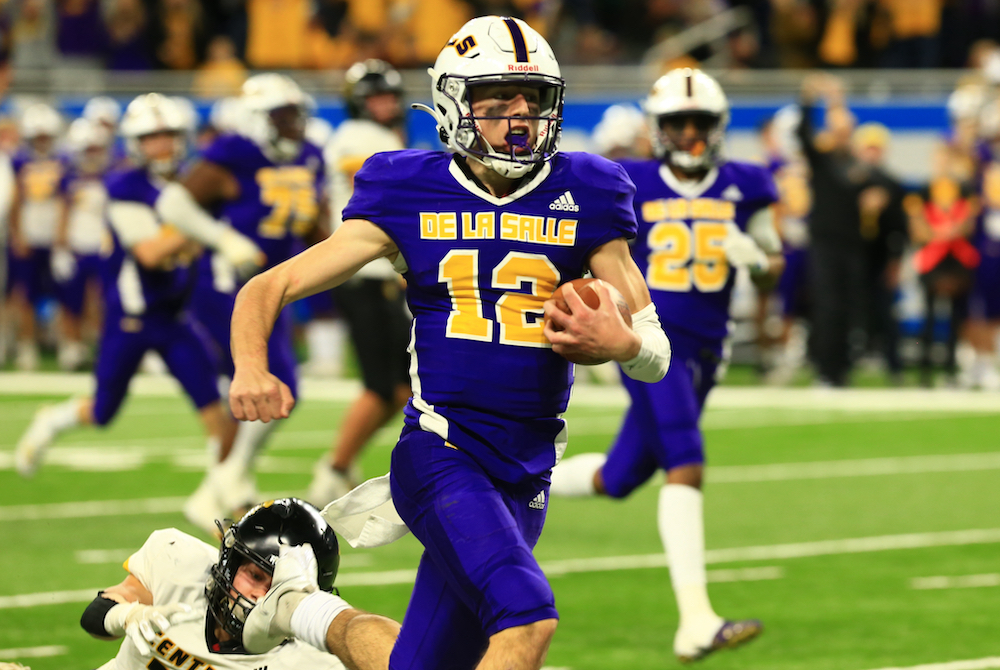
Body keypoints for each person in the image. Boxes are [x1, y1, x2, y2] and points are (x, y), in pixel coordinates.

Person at [227, 16, 670, 670]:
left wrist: (621, 342)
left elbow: (656, 355)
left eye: (535, 99)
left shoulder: (589, 190)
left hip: (525, 473)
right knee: (527, 618)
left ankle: (300, 611)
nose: (521, 116)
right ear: (454, 105)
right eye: (498, 100)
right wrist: (250, 367)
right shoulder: (407, 188)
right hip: (440, 452)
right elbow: (267, 287)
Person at [550, 68, 784, 662]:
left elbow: (774, 262)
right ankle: (696, 621)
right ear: (657, 129)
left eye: (698, 123)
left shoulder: (747, 184)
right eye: (676, 123)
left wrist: (756, 261)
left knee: (623, 477)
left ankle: (517, 479)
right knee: (686, 460)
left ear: (718, 127)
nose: (687, 134)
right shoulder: (631, 180)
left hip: (708, 348)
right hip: (652, 344)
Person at [13, 94, 237, 484]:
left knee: (213, 408)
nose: (162, 144)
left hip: (175, 316)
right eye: (152, 136)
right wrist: (206, 230)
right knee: (103, 412)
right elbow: (151, 253)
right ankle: (52, 420)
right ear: (136, 142)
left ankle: (222, 495)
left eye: (168, 134)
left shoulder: (192, 178)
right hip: (130, 318)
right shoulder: (124, 183)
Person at [155, 73, 329, 533]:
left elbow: (313, 223)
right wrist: (225, 238)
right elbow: (173, 204)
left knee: (277, 387)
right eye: (282, 115)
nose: (293, 124)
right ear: (257, 119)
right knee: (271, 383)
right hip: (226, 285)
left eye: (295, 114)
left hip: (274, 283)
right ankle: (226, 483)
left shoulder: (309, 155)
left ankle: (222, 484)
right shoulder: (235, 152)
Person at [306, 59, 413, 508]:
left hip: (375, 272)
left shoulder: (376, 137)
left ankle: (343, 463)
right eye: (376, 98)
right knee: (380, 386)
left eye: (390, 97)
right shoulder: (359, 138)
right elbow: (376, 191)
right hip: (366, 272)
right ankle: (332, 470)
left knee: (402, 388)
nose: (385, 106)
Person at [80, 497, 352, 670]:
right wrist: (127, 615)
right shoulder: (178, 564)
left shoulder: (316, 659)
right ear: (229, 562)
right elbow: (97, 614)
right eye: (255, 576)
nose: (260, 596)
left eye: (279, 588)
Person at [6, 102, 67, 370]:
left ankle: (65, 343)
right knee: (23, 293)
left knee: (66, 293)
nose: (43, 141)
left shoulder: (64, 160)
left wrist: (62, 237)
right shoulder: (18, 160)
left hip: (56, 237)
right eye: (38, 136)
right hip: (29, 235)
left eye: (46, 136)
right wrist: (17, 234)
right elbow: (15, 200)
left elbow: (67, 201)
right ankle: (26, 344)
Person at [56, 117, 113, 371]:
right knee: (71, 301)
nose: (92, 155)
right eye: (88, 149)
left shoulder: (113, 178)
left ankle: (102, 346)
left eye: (96, 149)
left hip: (103, 247)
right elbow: (63, 213)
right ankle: (72, 346)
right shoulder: (69, 178)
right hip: (77, 247)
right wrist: (60, 247)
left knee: (102, 300)